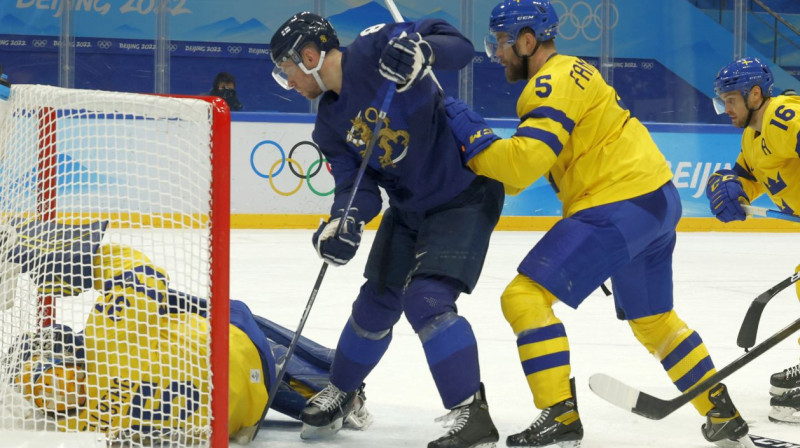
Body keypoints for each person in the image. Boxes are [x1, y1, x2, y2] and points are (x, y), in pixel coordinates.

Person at [442, 1, 754, 447]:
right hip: (655, 199)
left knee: (523, 297)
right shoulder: (572, 73)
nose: (497, 53)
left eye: (503, 43)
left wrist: (474, 136)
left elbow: (519, 169)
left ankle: (560, 415)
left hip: (618, 202)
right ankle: (721, 412)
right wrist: (485, 149)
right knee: (654, 321)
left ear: (528, 41)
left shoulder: (549, 82)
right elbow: (521, 173)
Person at [268, 11, 504, 448]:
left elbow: (461, 48)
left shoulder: (376, 47)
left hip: (463, 192)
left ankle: (473, 413)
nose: (289, 83)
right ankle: (344, 391)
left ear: (309, 56)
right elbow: (357, 188)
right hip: (409, 206)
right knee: (376, 301)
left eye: (287, 71)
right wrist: (345, 221)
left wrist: (423, 51)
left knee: (427, 298)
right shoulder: (327, 124)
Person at [0, 218, 372, 444]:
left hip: (236, 416)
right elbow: (135, 270)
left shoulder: (80, 418)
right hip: (238, 369)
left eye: (43, 373)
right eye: (39, 384)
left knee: (206, 315)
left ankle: (334, 383)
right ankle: (336, 380)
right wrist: (57, 253)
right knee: (220, 313)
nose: (49, 387)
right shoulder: (107, 333)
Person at [707, 57, 800, 425]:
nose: (725, 109)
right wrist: (730, 186)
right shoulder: (752, 137)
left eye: (730, 100)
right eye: (722, 101)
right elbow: (748, 178)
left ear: (756, 94)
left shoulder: (783, 117)